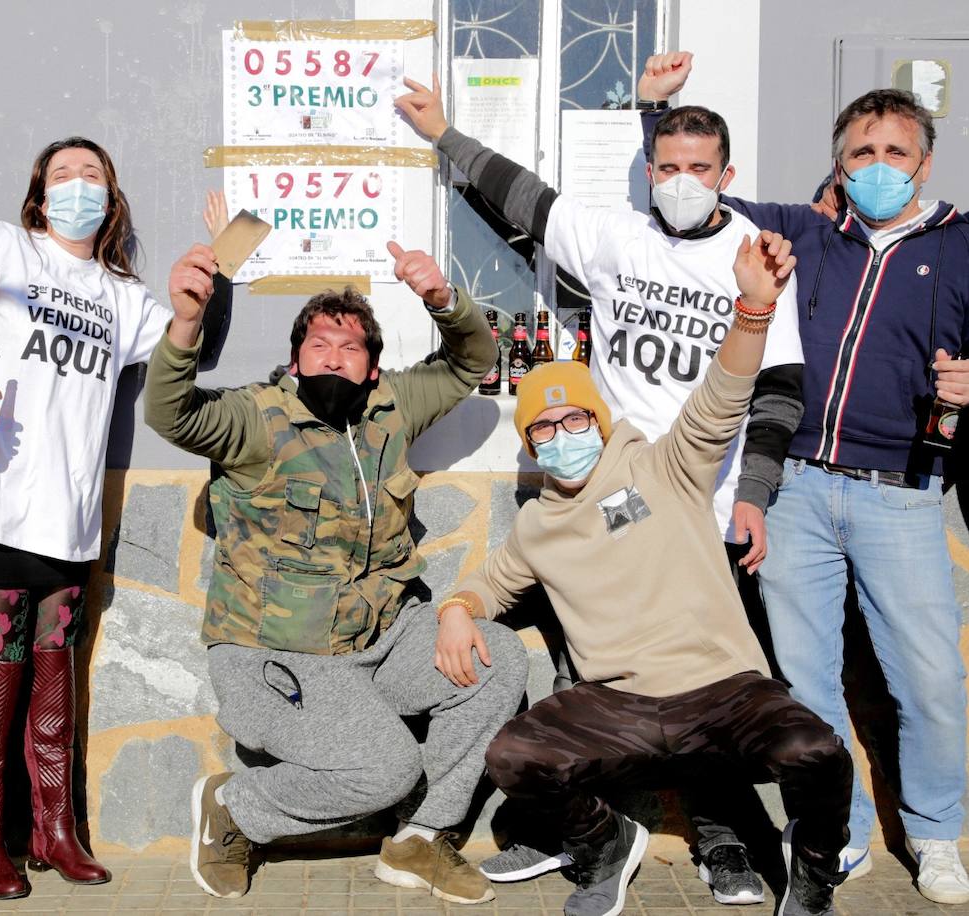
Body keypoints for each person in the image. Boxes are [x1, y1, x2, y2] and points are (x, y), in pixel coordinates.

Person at [396, 75, 804, 904]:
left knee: (709, 685)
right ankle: (571, 833)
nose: (681, 180)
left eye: (699, 166)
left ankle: (722, 841)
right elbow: (526, 199)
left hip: (707, 506)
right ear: (648, 169)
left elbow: (780, 387)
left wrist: (755, 493)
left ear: (725, 172)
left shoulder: (754, 252)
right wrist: (444, 135)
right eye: (666, 165)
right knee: (585, 669)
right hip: (604, 492)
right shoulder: (617, 237)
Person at [439, 231, 854, 916]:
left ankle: (811, 875)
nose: (561, 433)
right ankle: (606, 846)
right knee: (514, 754)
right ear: (532, 445)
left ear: (599, 422)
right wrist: (457, 609)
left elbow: (722, 396)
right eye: (544, 428)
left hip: (722, 691)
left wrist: (753, 309)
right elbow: (489, 582)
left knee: (817, 752)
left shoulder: (664, 469)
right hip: (617, 705)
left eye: (575, 417)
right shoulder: (539, 525)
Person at [639, 51, 969, 905]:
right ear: (839, 163)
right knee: (806, 682)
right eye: (862, 153)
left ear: (924, 162)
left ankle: (935, 835)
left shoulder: (963, 245)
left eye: (897, 153)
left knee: (928, 677)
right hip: (797, 488)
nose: (880, 168)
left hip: (902, 491)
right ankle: (837, 831)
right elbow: (690, 199)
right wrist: (654, 113)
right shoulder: (806, 232)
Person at [145, 241, 528, 905]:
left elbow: (475, 358)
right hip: (275, 653)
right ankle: (236, 810)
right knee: (386, 768)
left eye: (350, 347)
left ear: (373, 368)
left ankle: (420, 839)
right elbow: (171, 412)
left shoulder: (393, 407)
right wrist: (185, 324)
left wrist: (442, 298)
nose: (332, 356)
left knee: (498, 662)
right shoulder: (257, 418)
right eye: (319, 344)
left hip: (382, 638)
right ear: (296, 360)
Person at [0, 139, 230, 897]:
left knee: (54, 682)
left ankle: (55, 829)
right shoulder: (6, 247)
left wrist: (202, 290)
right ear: (40, 196)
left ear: (111, 199)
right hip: (3, 514)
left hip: (73, 523)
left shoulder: (120, 291)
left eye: (94, 177)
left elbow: (183, 346)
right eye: (63, 175)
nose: (79, 187)